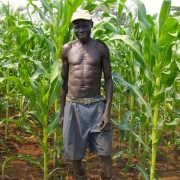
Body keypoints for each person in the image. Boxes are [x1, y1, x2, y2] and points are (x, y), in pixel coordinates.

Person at [60, 9, 113, 180]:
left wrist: (107, 111)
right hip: (73, 106)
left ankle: (107, 176)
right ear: (73, 28)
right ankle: (80, 176)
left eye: (84, 25)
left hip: (97, 105)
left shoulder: (101, 48)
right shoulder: (67, 49)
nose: (81, 29)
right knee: (75, 156)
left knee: (105, 153)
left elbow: (109, 80)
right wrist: (62, 113)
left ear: (91, 25)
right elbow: (64, 82)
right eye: (77, 26)